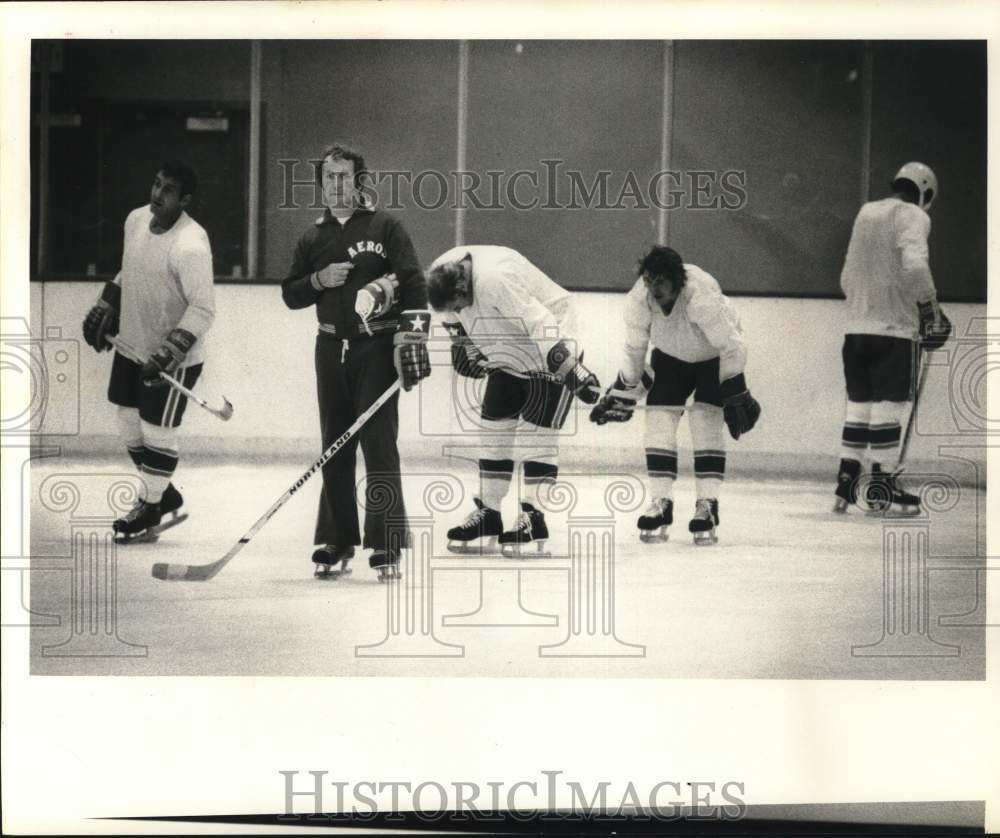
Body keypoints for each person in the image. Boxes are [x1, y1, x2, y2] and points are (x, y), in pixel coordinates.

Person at [281, 143, 430, 582]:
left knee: (378, 445)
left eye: (345, 176)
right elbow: (291, 293)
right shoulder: (313, 237)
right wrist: (317, 280)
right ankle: (338, 538)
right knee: (335, 444)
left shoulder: (385, 226)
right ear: (321, 183)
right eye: (329, 177)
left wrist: (412, 340)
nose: (337, 184)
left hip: (376, 349)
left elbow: (413, 282)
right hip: (329, 349)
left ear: (360, 181)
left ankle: (386, 544)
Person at [426, 246, 601, 557]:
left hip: (550, 346)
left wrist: (568, 367)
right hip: (506, 353)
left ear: (464, 286)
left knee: (539, 436)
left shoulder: (496, 278)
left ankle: (533, 517)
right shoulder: (442, 271)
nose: (460, 310)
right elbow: (453, 317)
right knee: (492, 432)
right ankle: (489, 514)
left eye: (461, 303)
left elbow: (541, 322)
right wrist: (463, 346)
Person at [589, 245, 760, 545]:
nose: (653, 288)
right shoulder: (639, 299)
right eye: (649, 280)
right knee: (658, 422)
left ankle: (707, 504)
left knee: (706, 423)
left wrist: (735, 389)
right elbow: (634, 350)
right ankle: (661, 502)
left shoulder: (701, 296)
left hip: (713, 359)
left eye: (660, 281)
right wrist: (624, 392)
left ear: (678, 280)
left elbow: (733, 346)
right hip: (670, 358)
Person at [82, 160, 216, 542]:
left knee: (158, 431)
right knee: (127, 419)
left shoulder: (191, 245)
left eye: (168, 190)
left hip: (173, 358)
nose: (157, 194)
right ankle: (163, 491)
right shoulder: (136, 220)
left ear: (184, 199)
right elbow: (130, 269)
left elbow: (203, 308)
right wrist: (109, 301)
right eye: (156, 184)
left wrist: (170, 350)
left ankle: (149, 502)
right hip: (132, 343)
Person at [833, 161, 951, 515]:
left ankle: (846, 482)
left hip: (855, 331)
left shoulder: (867, 212)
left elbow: (846, 276)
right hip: (894, 332)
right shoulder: (914, 215)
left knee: (859, 408)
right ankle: (882, 487)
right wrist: (930, 308)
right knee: (888, 410)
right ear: (925, 192)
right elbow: (914, 264)